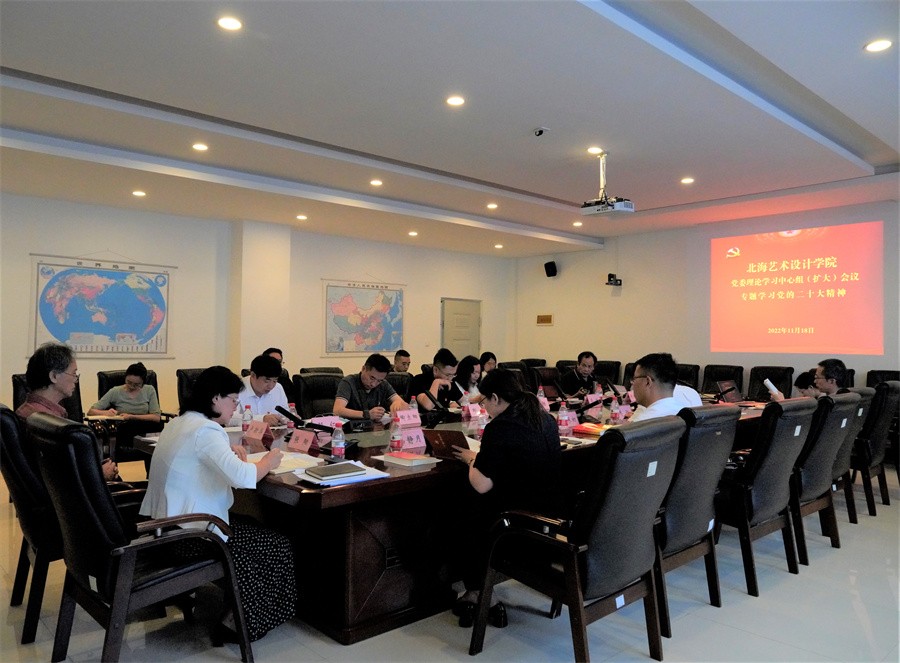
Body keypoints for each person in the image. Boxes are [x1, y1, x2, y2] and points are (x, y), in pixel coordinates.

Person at [139, 366, 295, 643]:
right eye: (233, 400)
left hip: (166, 527)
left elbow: (206, 466)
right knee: (275, 544)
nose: (235, 407)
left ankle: (237, 612)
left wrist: (234, 459)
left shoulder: (180, 422)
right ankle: (239, 624)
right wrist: (268, 461)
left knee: (253, 526)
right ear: (215, 398)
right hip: (191, 537)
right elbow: (244, 478)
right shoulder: (206, 430)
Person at [451, 368, 562, 628]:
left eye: (484, 401)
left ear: (495, 398)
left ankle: (479, 592)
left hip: (515, 528)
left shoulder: (500, 426)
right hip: (549, 522)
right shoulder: (545, 419)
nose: (484, 408)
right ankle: (477, 591)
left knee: (462, 509)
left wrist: (472, 460)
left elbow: (481, 484)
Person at [16, 342, 118, 480]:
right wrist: (100, 475)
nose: (76, 380)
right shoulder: (49, 424)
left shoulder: (27, 411)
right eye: (74, 373)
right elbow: (63, 478)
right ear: (54, 376)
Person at [333, 353, 407, 420]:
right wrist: (367, 414)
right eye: (372, 378)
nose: (373, 384)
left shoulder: (383, 384)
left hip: (376, 428)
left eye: (379, 380)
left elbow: (404, 405)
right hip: (351, 428)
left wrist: (398, 403)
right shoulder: (348, 382)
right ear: (363, 369)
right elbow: (337, 410)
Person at [88, 362, 162, 424]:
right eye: (129, 382)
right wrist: (106, 413)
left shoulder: (149, 390)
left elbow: (156, 417)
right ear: (125, 378)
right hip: (123, 427)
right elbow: (91, 411)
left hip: (146, 427)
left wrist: (131, 417)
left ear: (143, 382)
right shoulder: (116, 391)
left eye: (136, 384)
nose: (132, 386)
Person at [628, 352, 684, 423]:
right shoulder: (685, 414)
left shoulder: (640, 423)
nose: (632, 383)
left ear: (647, 382)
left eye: (634, 379)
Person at [238, 354, 289, 425]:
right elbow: (230, 419)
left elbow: (285, 413)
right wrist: (262, 419)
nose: (271, 386)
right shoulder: (236, 387)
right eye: (267, 381)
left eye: (275, 381)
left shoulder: (278, 388)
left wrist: (289, 418)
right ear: (253, 375)